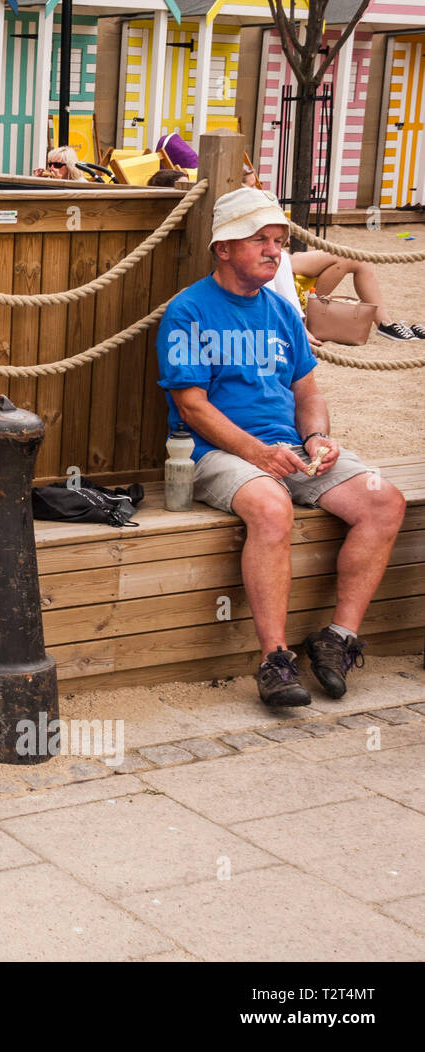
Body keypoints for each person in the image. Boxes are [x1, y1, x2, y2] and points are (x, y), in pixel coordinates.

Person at [156, 187, 406, 708]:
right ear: (223, 248)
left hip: (288, 448)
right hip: (211, 454)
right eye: (260, 240)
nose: (275, 251)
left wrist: (317, 437)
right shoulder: (187, 311)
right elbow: (193, 406)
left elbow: (308, 392)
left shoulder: (282, 309)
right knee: (272, 507)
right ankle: (274, 659)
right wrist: (258, 453)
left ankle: (336, 639)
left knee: (385, 501)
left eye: (280, 240)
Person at [243, 168, 420, 340]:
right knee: (348, 257)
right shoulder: (239, 207)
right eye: (250, 186)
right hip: (275, 259)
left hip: (284, 257)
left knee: (354, 260)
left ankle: (386, 325)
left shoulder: (259, 202)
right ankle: (384, 325)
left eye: (256, 184)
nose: (256, 189)